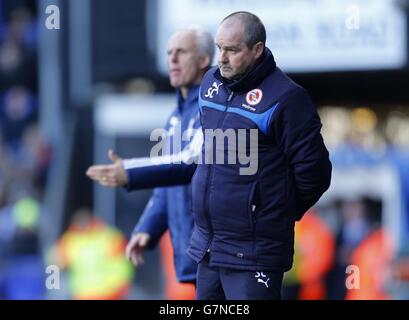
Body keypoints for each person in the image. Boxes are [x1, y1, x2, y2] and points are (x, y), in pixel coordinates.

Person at [187, 12, 332, 300]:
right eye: (219, 48)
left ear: (257, 49)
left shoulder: (287, 98)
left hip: (254, 254)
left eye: (232, 50)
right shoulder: (210, 86)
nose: (222, 58)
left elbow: (315, 173)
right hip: (210, 248)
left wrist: (271, 212)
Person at [86, 27, 214, 286]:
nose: (173, 60)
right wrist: (148, 227)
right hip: (190, 252)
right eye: (169, 53)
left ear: (203, 60)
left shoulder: (214, 107)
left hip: (215, 251)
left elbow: (190, 163)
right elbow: (167, 183)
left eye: (182, 52)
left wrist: (131, 172)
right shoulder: (175, 117)